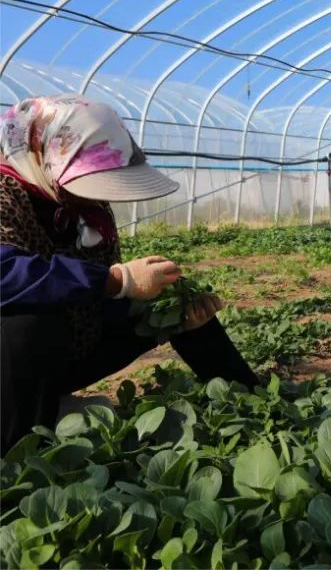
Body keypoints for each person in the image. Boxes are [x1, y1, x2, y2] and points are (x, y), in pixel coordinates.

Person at [1, 95, 259, 454]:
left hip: (61, 356)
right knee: (30, 319)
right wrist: (115, 281)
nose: (99, 197)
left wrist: (173, 312)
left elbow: (100, 299)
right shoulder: (5, 194)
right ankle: (16, 454)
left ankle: (254, 401)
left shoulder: (85, 209)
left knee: (169, 301)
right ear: (43, 157)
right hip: (13, 363)